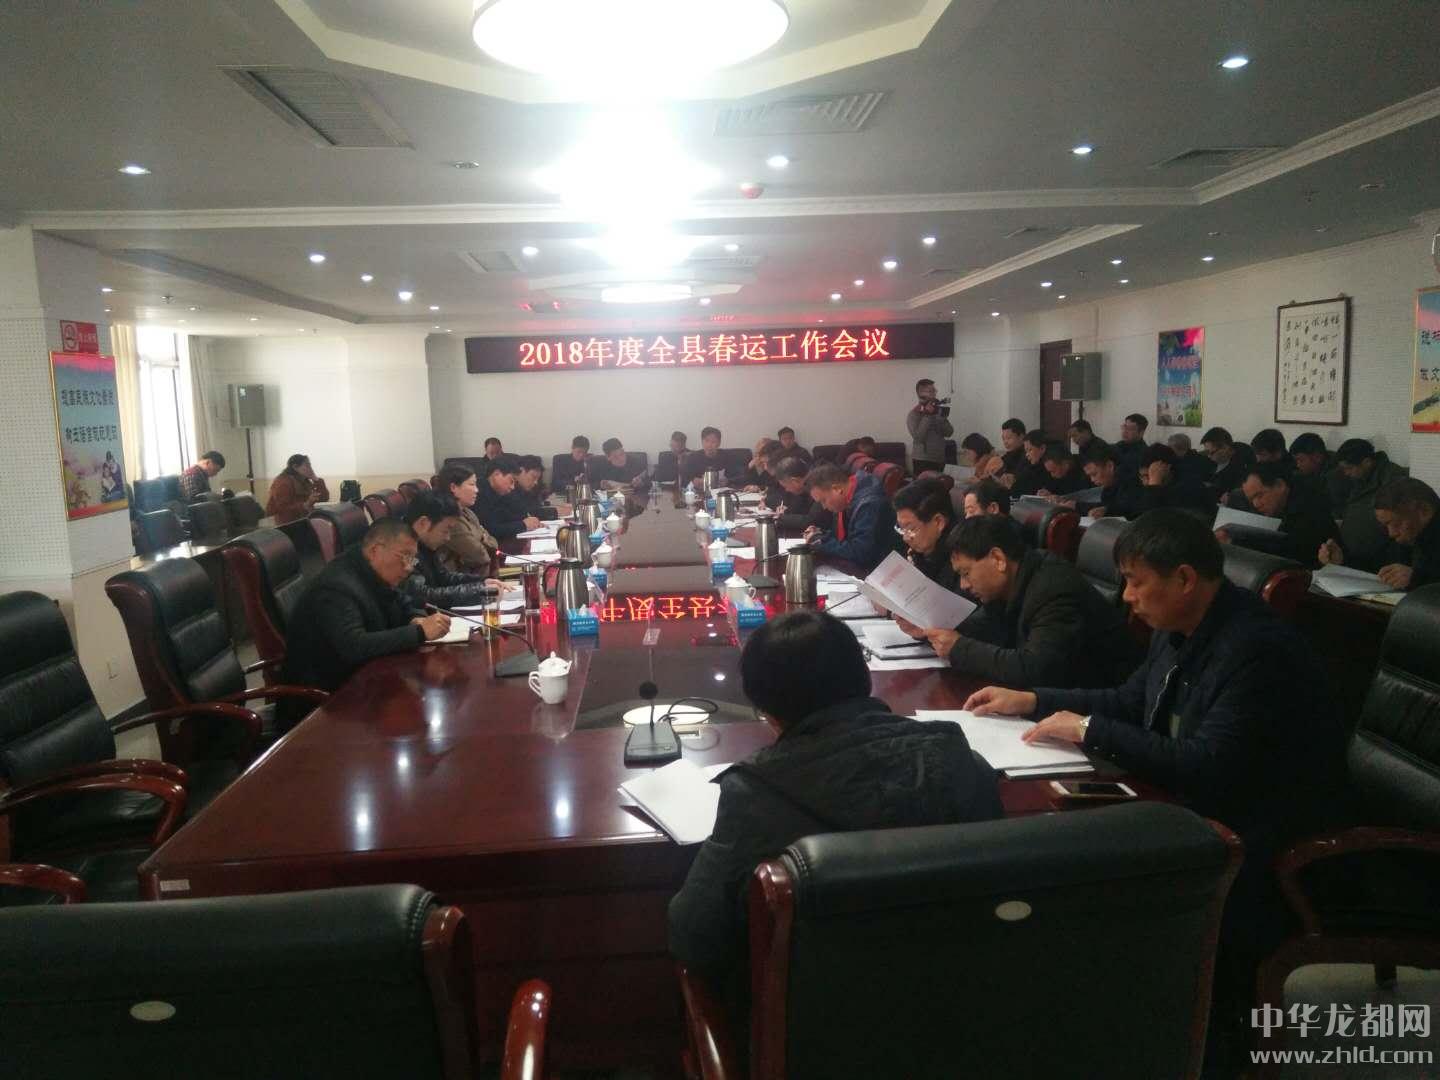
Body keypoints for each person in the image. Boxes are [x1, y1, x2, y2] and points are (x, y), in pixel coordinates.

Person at [964, 510, 1346, 1046]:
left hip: (1268, 831)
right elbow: (1129, 700)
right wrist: (1032, 700)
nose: (1126, 597)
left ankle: (1182, 1029)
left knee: (1086, 855)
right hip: (1201, 800)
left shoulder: (1255, 648)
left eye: (1136, 582)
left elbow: (1206, 762)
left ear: (1184, 578)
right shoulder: (1180, 627)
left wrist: (1090, 729)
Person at [668, 610, 1002, 991]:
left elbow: (694, 939)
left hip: (817, 1020)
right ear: (864, 679)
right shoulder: (964, 763)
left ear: (769, 714)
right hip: (963, 1002)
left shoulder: (755, 795)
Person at [923, 514, 1138, 688]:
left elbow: (1037, 669)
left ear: (998, 559)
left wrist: (959, 648)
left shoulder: (1053, 588)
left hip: (1094, 709)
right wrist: (932, 629)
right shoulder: (1011, 583)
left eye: (966, 573)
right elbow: (983, 625)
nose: (963, 585)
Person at [277, 518, 450, 728]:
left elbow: (405, 601)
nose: (408, 567)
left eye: (412, 559)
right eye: (405, 557)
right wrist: (419, 632)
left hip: (364, 685)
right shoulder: (336, 587)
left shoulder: (373, 572)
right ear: (375, 550)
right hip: (323, 707)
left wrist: (414, 617)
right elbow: (354, 646)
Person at [1320, 477, 1440, 590]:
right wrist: (1342, 561)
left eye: (1396, 524)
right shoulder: (1407, 536)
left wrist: (1417, 579)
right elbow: (1380, 569)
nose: (1391, 533)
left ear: (1424, 511)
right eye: (1385, 525)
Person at [1222, 462, 1338, 568]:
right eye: (1251, 499)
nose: (1256, 504)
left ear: (1280, 485)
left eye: (1259, 495)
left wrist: (1236, 544)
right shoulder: (1278, 507)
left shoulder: (1309, 508)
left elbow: (1288, 554)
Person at [401, 493, 499, 609]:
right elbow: (423, 595)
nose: (448, 538)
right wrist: (480, 591)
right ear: (423, 523)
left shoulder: (424, 544)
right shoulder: (402, 549)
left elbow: (443, 577)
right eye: (446, 530)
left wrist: (483, 582)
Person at [1325, 438, 1409, 571]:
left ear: (1367, 462)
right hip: (1353, 558)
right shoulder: (1357, 478)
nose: (1346, 473)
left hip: (1382, 560)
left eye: (1349, 468)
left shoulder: (1393, 478)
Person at [803, 463, 903, 571]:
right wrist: (820, 534)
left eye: (823, 500)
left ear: (837, 489)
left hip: (880, 569)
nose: (824, 507)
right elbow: (844, 536)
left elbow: (860, 552)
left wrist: (819, 543)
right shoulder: (849, 494)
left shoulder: (869, 504)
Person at [892, 479, 959, 591]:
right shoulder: (921, 551)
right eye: (901, 528)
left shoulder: (960, 563)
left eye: (911, 529)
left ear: (938, 522)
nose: (906, 538)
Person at [434, 463, 499, 578]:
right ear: (453, 487)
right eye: (472, 484)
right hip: (463, 580)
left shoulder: (468, 512)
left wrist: (482, 540)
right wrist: (483, 538)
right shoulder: (450, 520)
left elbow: (494, 544)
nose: (476, 490)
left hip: (481, 576)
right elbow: (479, 556)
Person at [1133, 443, 1215, 517]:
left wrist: (1154, 484)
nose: (1145, 482)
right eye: (1141, 476)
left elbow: (1150, 518)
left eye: (1150, 475)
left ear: (1166, 468)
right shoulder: (1157, 485)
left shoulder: (1187, 485)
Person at [474, 455, 540, 540]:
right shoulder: (478, 493)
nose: (512, 487)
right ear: (497, 474)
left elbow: (509, 518)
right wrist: (523, 525)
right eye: (511, 481)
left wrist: (530, 521)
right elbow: (490, 530)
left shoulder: (499, 493)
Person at [1080, 443, 1144, 520]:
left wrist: (1107, 510)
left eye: (1094, 474)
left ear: (1109, 466)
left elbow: (1128, 508)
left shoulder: (1132, 481)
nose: (1092, 480)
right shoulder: (1109, 484)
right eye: (1090, 476)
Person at [265, 453, 331, 524]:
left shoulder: (305, 481)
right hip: (283, 523)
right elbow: (282, 509)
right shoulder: (283, 482)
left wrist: (316, 479)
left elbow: (324, 498)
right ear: (295, 467)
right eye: (307, 465)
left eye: (310, 465)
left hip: (301, 519)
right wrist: (306, 504)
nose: (310, 468)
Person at [907, 378, 953, 474]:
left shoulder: (937, 411)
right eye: (931, 391)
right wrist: (928, 416)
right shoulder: (914, 414)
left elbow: (949, 432)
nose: (935, 393)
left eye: (935, 390)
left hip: (940, 459)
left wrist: (940, 417)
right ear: (921, 394)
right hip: (922, 461)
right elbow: (918, 438)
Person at [1199, 427, 1253, 499]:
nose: (1208, 456)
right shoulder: (1207, 460)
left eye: (1211, 453)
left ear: (1224, 448)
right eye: (1207, 452)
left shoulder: (1243, 463)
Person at [1004, 430, 1050, 497]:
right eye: (1026, 451)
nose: (1027, 455)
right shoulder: (1028, 466)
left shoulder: (1050, 467)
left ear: (1042, 448)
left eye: (1030, 450)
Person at [513, 455, 558, 520]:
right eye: (534, 477)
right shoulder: (508, 489)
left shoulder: (527, 490)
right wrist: (554, 511)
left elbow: (535, 508)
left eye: (537, 479)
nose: (536, 482)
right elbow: (526, 513)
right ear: (521, 471)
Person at [1114, 413, 1148, 481]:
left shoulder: (1144, 453)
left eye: (1130, 429)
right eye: (1124, 427)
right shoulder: (1119, 445)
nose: (1125, 431)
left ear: (1141, 433)